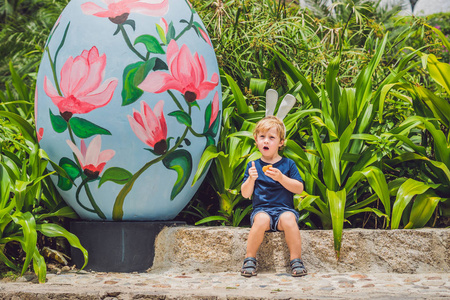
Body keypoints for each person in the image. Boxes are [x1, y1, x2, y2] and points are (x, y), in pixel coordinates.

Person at [240, 115, 307, 277]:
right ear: (256, 140)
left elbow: (299, 188)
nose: (266, 141)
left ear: (281, 142)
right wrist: (251, 178)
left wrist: (281, 178)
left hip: (284, 210)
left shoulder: (288, 164)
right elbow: (245, 193)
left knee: (290, 220)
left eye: (271, 138)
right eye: (262, 137)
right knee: (262, 220)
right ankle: (249, 258)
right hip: (262, 210)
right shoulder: (253, 165)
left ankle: (296, 259)